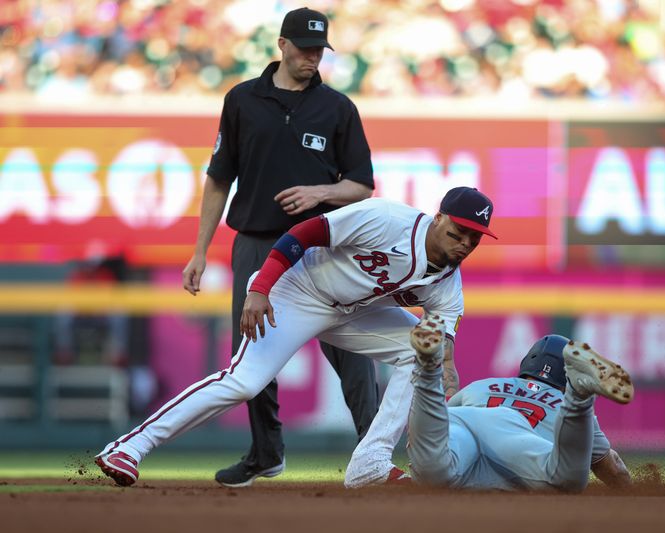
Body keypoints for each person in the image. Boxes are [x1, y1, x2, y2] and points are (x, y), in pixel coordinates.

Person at [95, 186, 498, 488]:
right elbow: (303, 233)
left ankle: (370, 464)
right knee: (244, 382)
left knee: (418, 353)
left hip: (353, 311)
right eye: (459, 231)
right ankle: (129, 448)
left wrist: (443, 369)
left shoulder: (449, 281)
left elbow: (441, 341)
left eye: (474, 238)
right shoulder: (387, 219)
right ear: (439, 217)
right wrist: (260, 289)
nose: (464, 243)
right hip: (297, 290)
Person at [180, 7, 381, 487]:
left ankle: (374, 456)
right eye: (307, 48)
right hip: (255, 241)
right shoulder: (242, 100)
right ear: (282, 45)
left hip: (321, 248)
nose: (314, 57)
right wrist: (200, 250)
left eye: (320, 49)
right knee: (253, 357)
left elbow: (362, 184)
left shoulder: (337, 108)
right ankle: (265, 454)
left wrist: (320, 193)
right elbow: (217, 179)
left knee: (351, 354)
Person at [406, 321, 634, 491]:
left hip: (463, 421)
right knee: (565, 482)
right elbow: (611, 468)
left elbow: (440, 422)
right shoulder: (560, 402)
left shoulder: (483, 385)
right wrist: (632, 493)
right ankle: (580, 397)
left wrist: (424, 445)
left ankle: (428, 372)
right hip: (513, 436)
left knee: (433, 470)